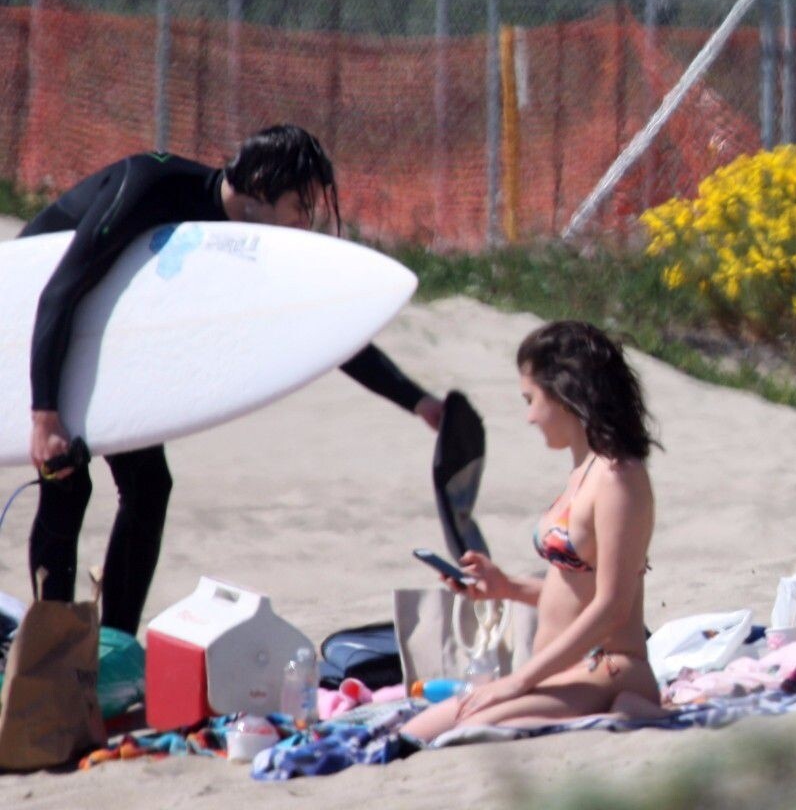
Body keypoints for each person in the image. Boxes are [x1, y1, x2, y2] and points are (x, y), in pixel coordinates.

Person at [23, 124, 453, 634]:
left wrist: (418, 402)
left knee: (149, 485)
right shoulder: (151, 186)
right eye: (300, 205)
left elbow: (326, 331)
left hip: (112, 342)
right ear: (262, 188)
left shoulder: (252, 245)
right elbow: (59, 291)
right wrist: (44, 417)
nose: (305, 221)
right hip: (39, 326)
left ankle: (116, 644)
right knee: (67, 481)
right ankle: (49, 649)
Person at [401, 320, 660, 745]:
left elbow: (613, 606)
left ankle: (633, 706)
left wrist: (517, 681)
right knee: (413, 734)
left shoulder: (619, 478)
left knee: (468, 731)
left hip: (608, 668)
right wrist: (507, 587)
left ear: (564, 393)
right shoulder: (584, 471)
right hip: (559, 674)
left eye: (531, 399)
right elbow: (576, 593)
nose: (530, 416)